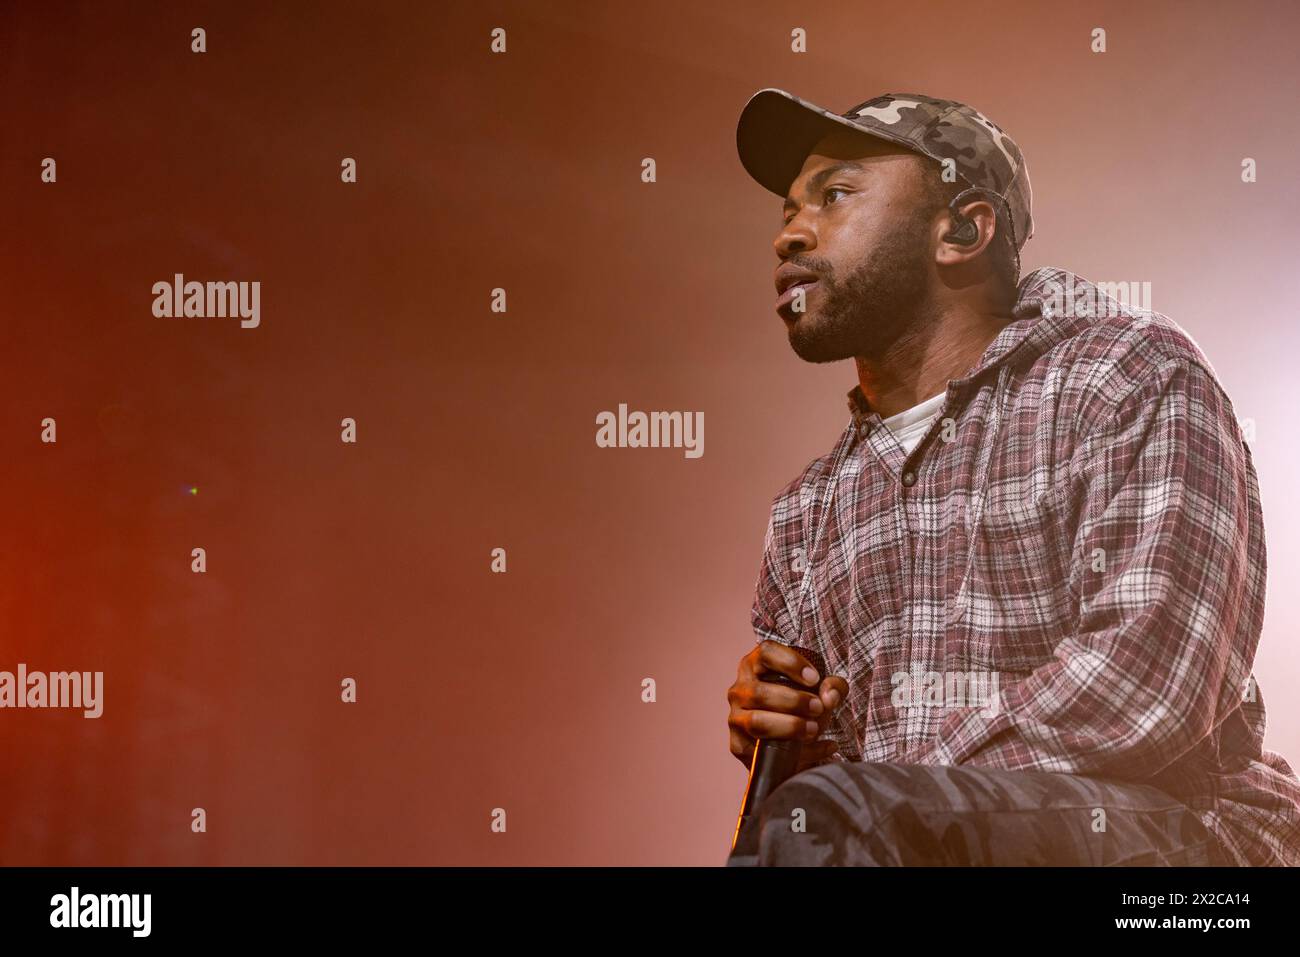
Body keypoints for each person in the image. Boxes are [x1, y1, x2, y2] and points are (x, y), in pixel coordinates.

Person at [724, 89, 1300, 866]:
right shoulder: (807, 511)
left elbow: (1145, 691)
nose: (788, 234)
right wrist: (788, 749)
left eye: (833, 196)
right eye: (787, 210)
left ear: (962, 229)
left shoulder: (1124, 377)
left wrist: (863, 798)